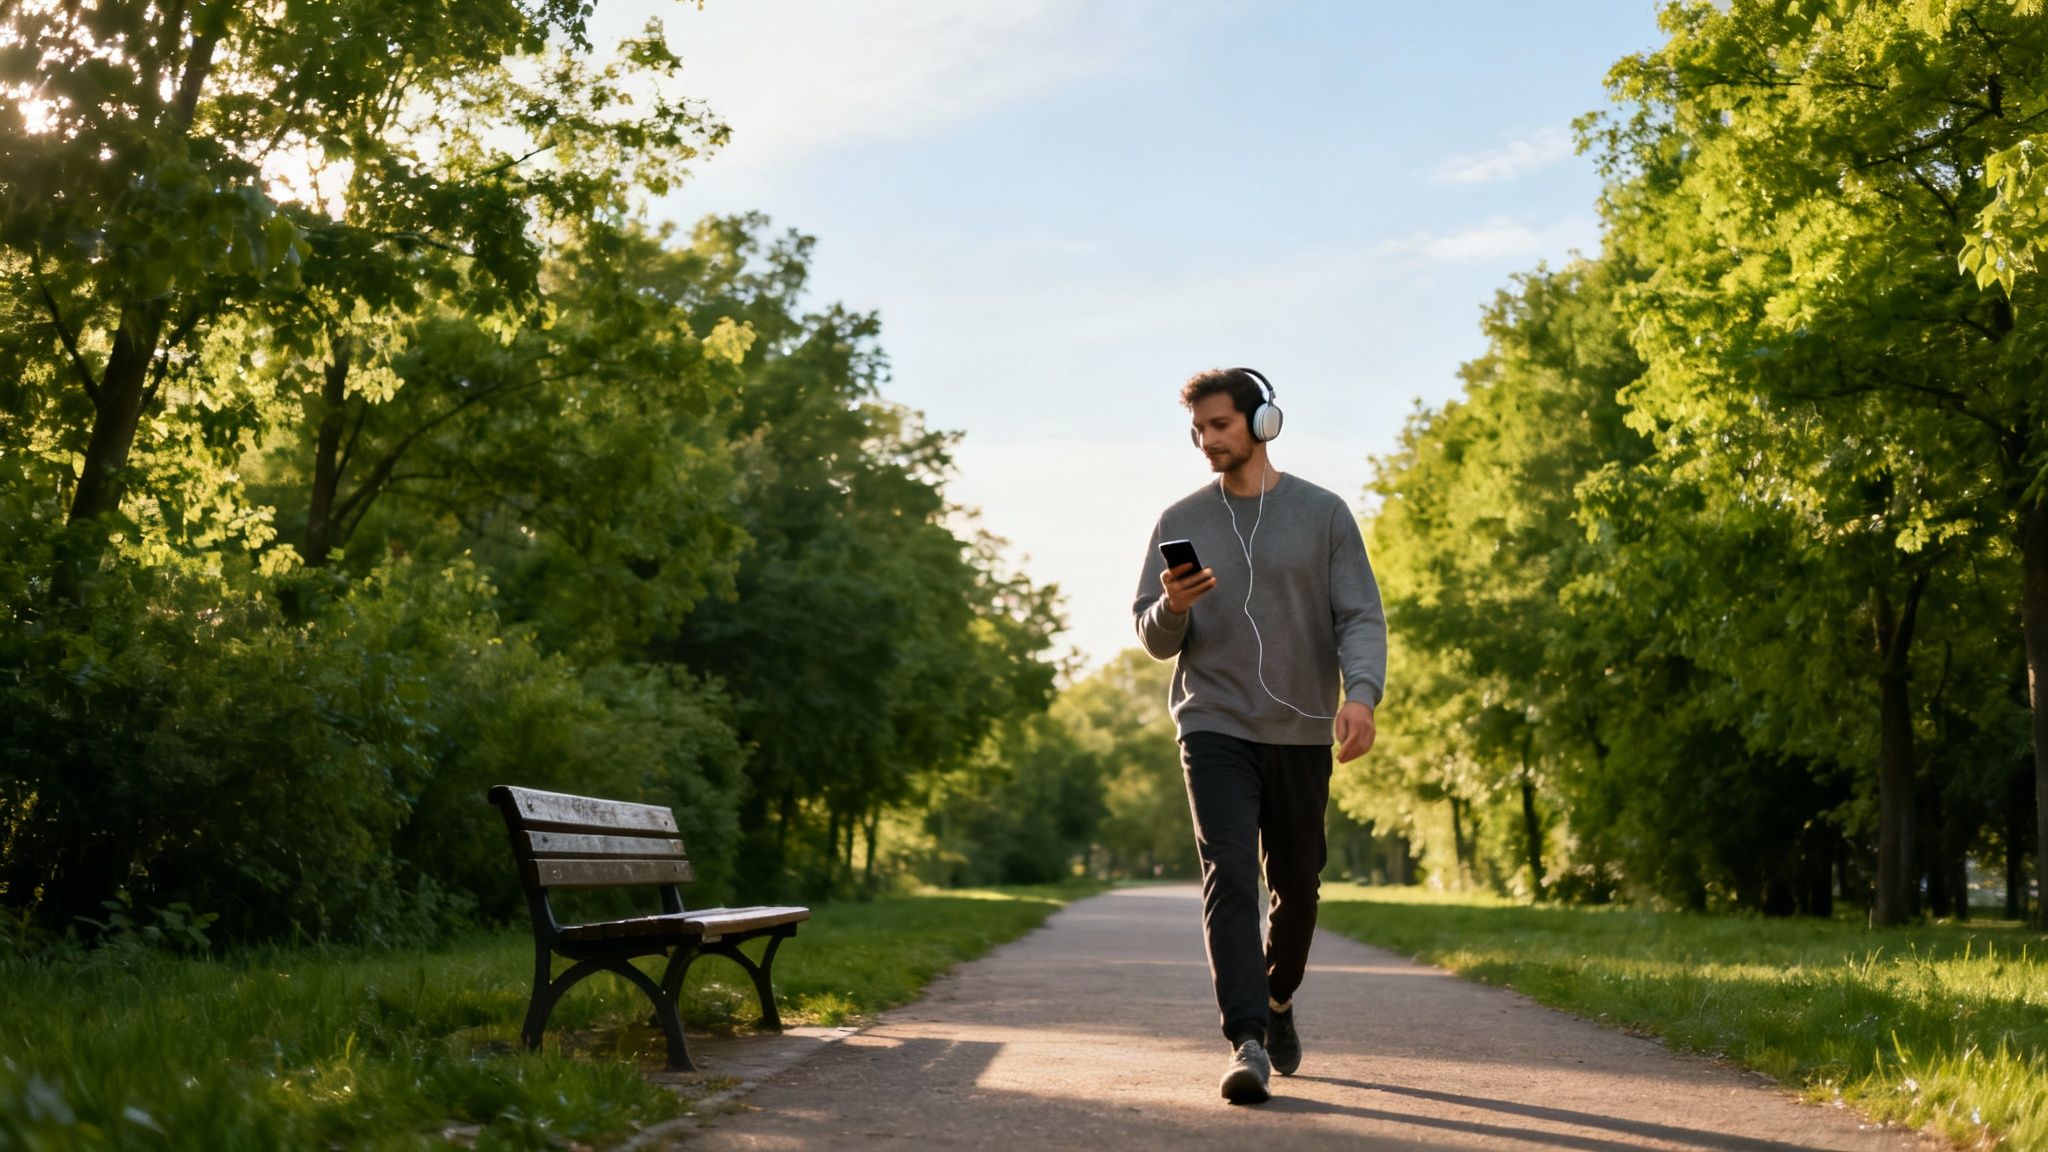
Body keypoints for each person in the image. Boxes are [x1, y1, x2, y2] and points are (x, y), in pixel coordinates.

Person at [1130, 367, 1386, 1105]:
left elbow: (1359, 617)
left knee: (1298, 887)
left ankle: (1277, 1003)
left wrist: (1361, 696)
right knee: (1232, 871)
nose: (1207, 440)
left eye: (1220, 425)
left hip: (1302, 729)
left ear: (1261, 422)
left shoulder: (1324, 514)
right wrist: (1173, 607)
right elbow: (1151, 634)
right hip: (1213, 722)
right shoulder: (1181, 517)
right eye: (1198, 430)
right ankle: (1246, 1041)